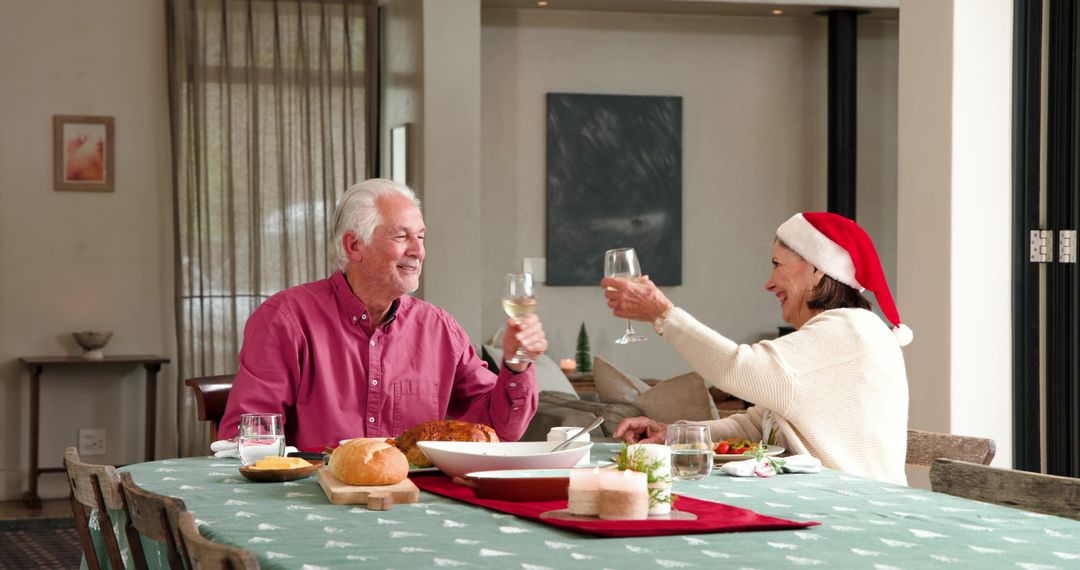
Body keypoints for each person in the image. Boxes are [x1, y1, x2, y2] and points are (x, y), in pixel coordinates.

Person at [218, 179, 548, 450]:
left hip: (416, 506)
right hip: (317, 501)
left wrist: (516, 365)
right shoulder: (286, 320)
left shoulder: (439, 329)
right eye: (401, 236)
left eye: (420, 237)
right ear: (353, 247)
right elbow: (247, 440)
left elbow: (498, 430)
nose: (417, 251)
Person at [605, 212, 912, 485]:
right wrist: (675, 435)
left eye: (778, 265)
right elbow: (756, 425)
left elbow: (737, 368)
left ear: (818, 270)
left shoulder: (851, 331)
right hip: (825, 499)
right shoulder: (837, 332)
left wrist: (664, 314)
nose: (769, 282)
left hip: (858, 508)